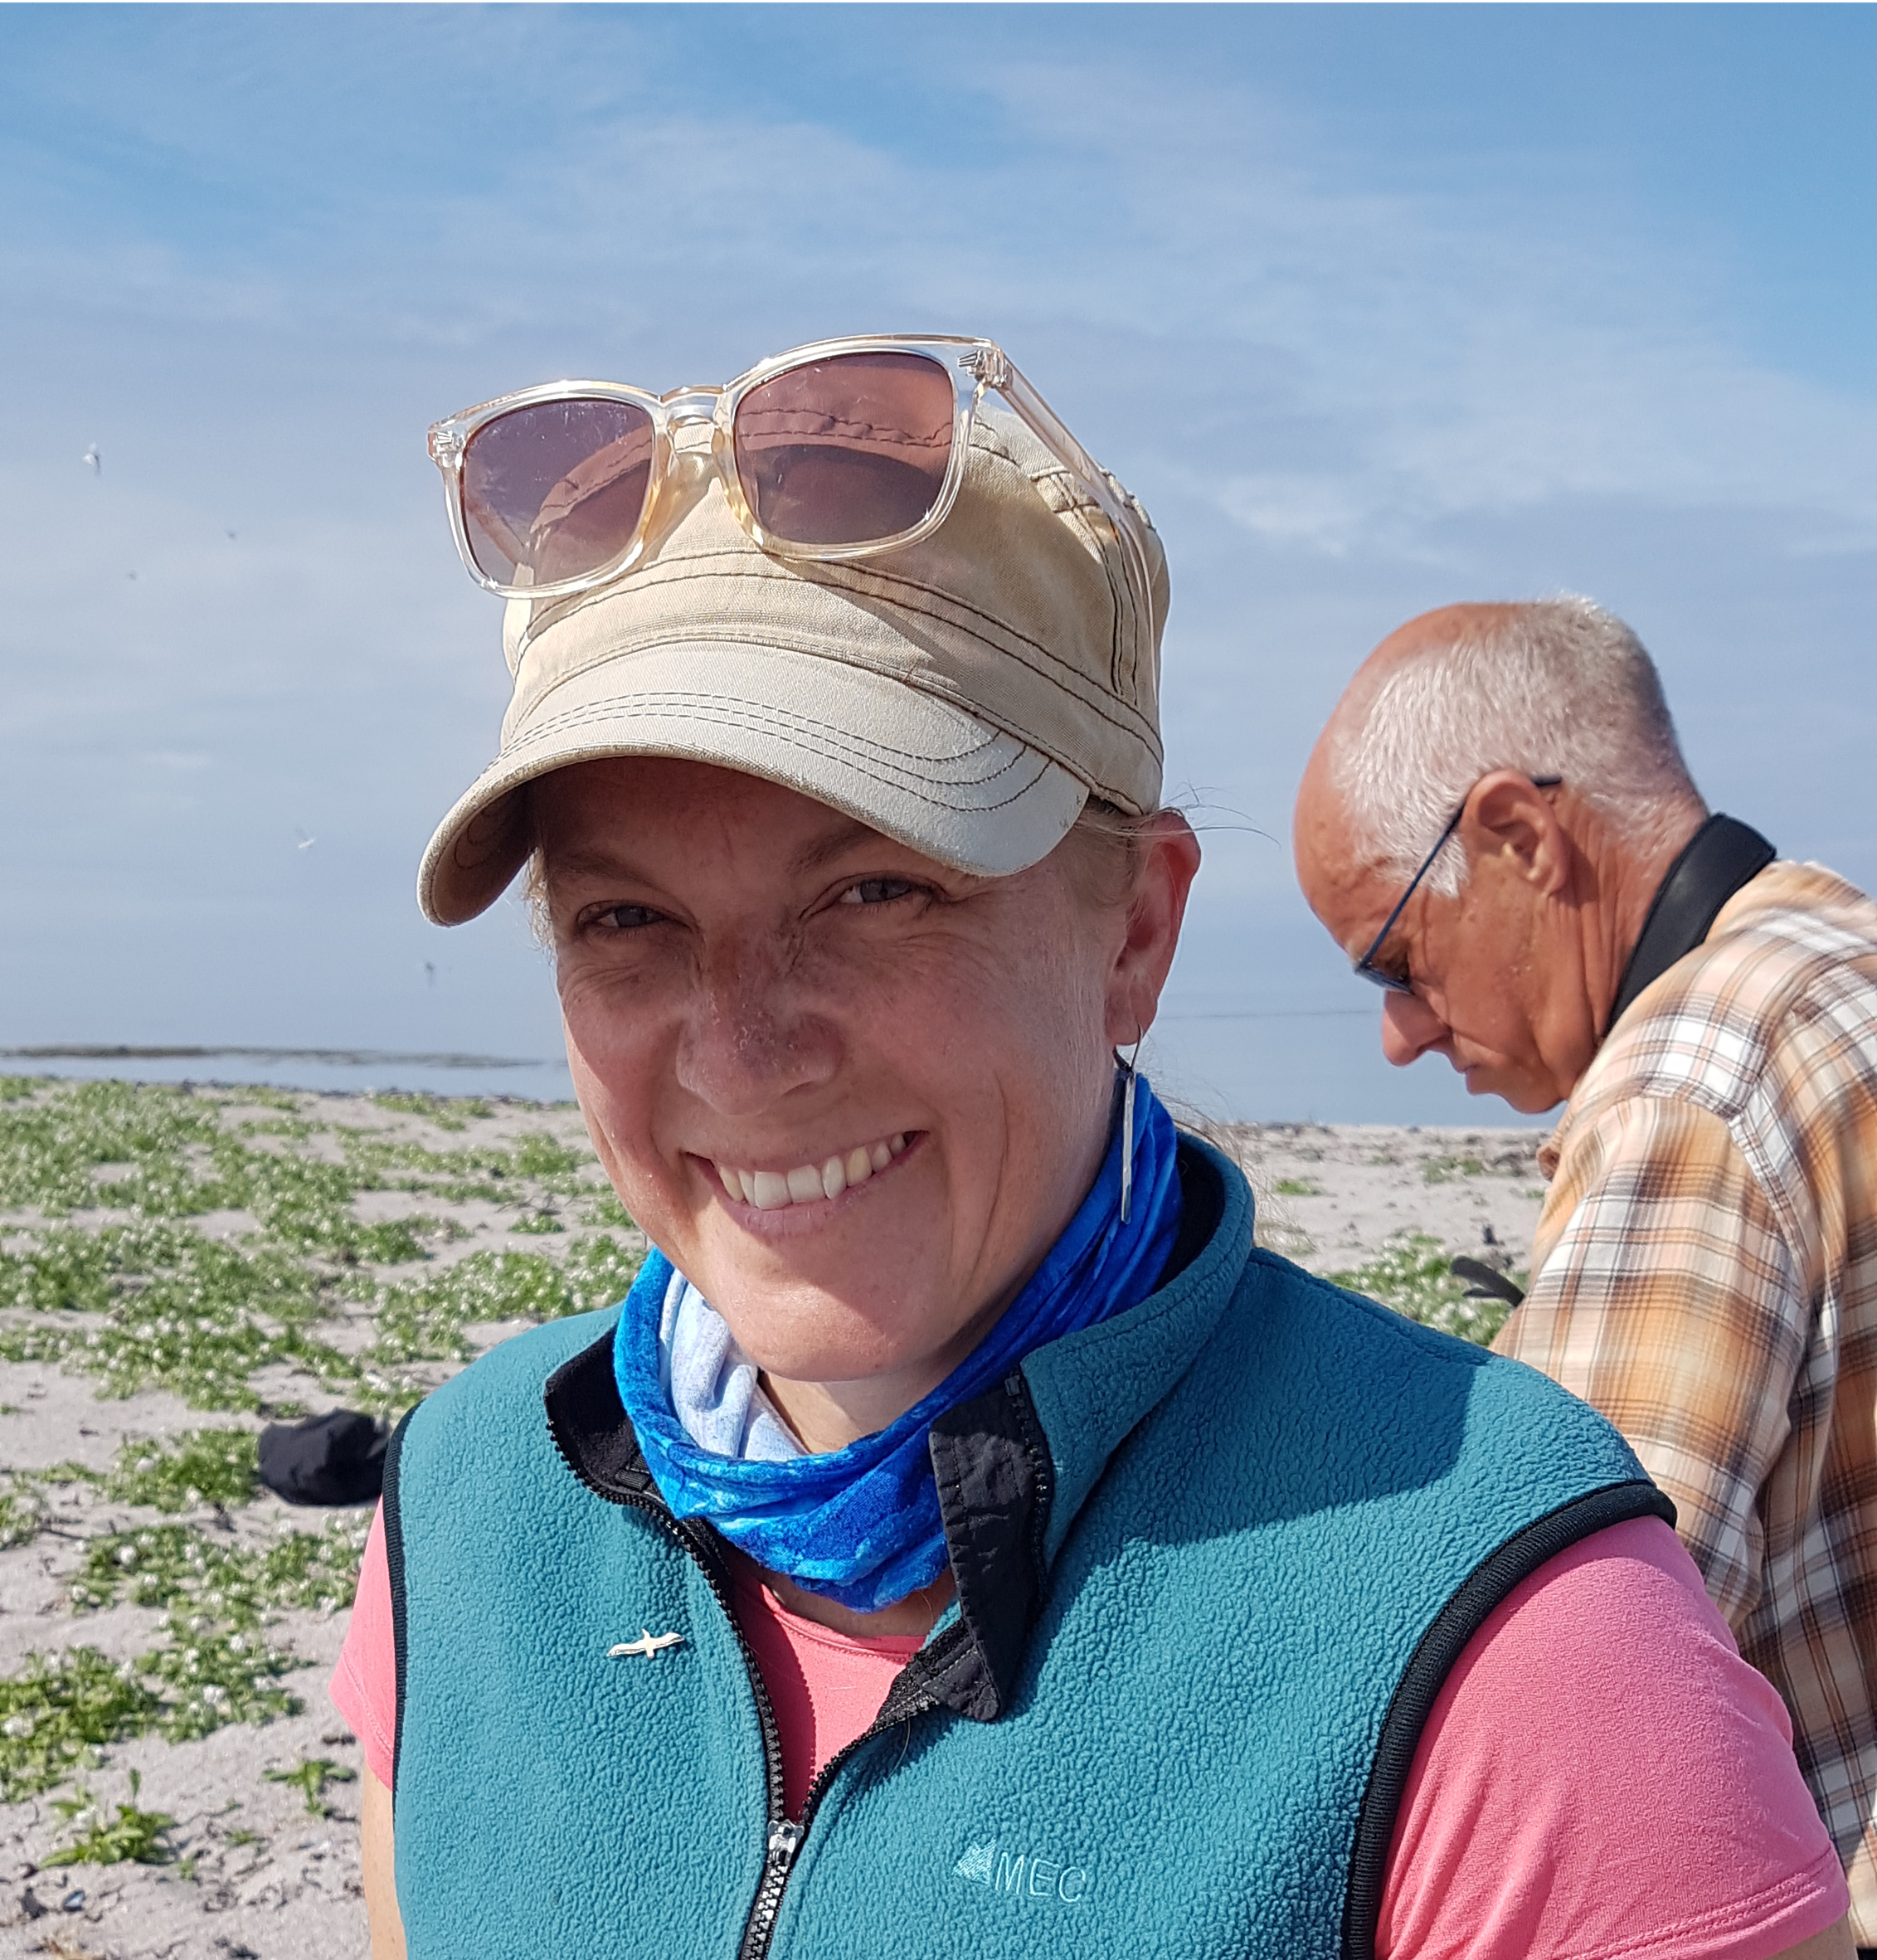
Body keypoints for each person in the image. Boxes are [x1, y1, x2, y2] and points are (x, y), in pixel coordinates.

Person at [334, 345, 1850, 1960]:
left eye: (877, 889)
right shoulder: (466, 1510)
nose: (742, 1048)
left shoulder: (1522, 1641)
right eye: (625, 918)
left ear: (1136, 927)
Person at [1294, 595, 1877, 1949]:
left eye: (1396, 960)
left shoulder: (1690, 1085)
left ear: (1518, 837)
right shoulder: (1837, 965)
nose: (1396, 1034)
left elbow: (1554, 1668)